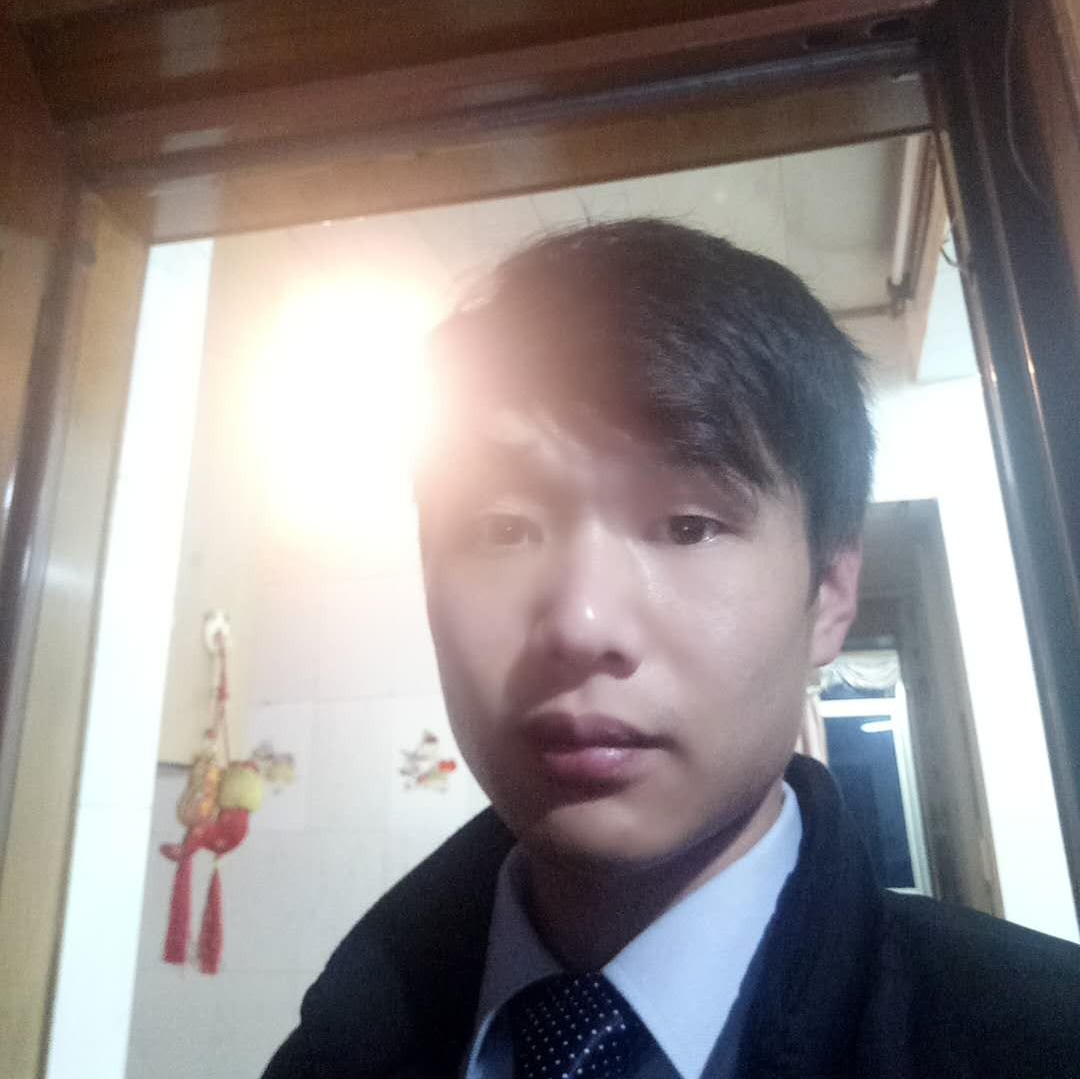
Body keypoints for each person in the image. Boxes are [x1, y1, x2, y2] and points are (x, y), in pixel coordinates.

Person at [264, 219, 1080, 1079]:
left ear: (832, 593)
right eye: (502, 528)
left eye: (688, 526)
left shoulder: (1040, 1040)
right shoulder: (330, 1054)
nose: (580, 624)